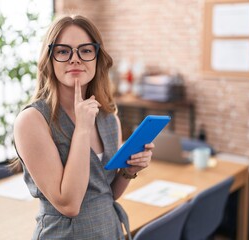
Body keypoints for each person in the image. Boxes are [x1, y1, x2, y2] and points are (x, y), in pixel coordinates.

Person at [12, 15, 154, 240]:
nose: (75, 59)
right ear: (50, 59)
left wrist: (129, 171)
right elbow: (69, 205)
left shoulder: (109, 119)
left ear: (97, 57)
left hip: (109, 230)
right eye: (63, 51)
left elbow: (106, 193)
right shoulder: (32, 121)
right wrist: (82, 129)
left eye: (86, 50)